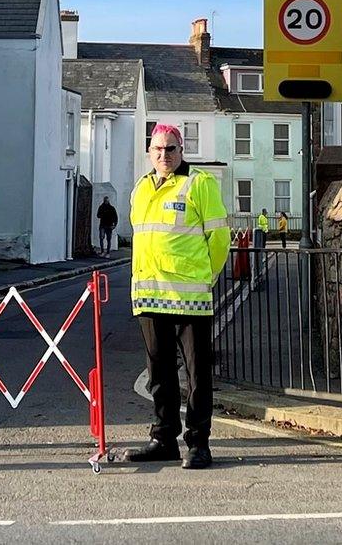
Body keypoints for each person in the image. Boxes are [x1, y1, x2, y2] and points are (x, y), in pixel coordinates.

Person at [120, 124, 230, 470]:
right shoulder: (140, 189)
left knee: (197, 374)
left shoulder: (199, 184)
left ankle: (198, 443)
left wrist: (205, 277)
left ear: (181, 150)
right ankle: (164, 438)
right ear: (149, 153)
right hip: (149, 298)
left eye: (170, 149)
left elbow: (220, 239)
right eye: (158, 149)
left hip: (190, 298)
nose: (164, 155)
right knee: (159, 374)